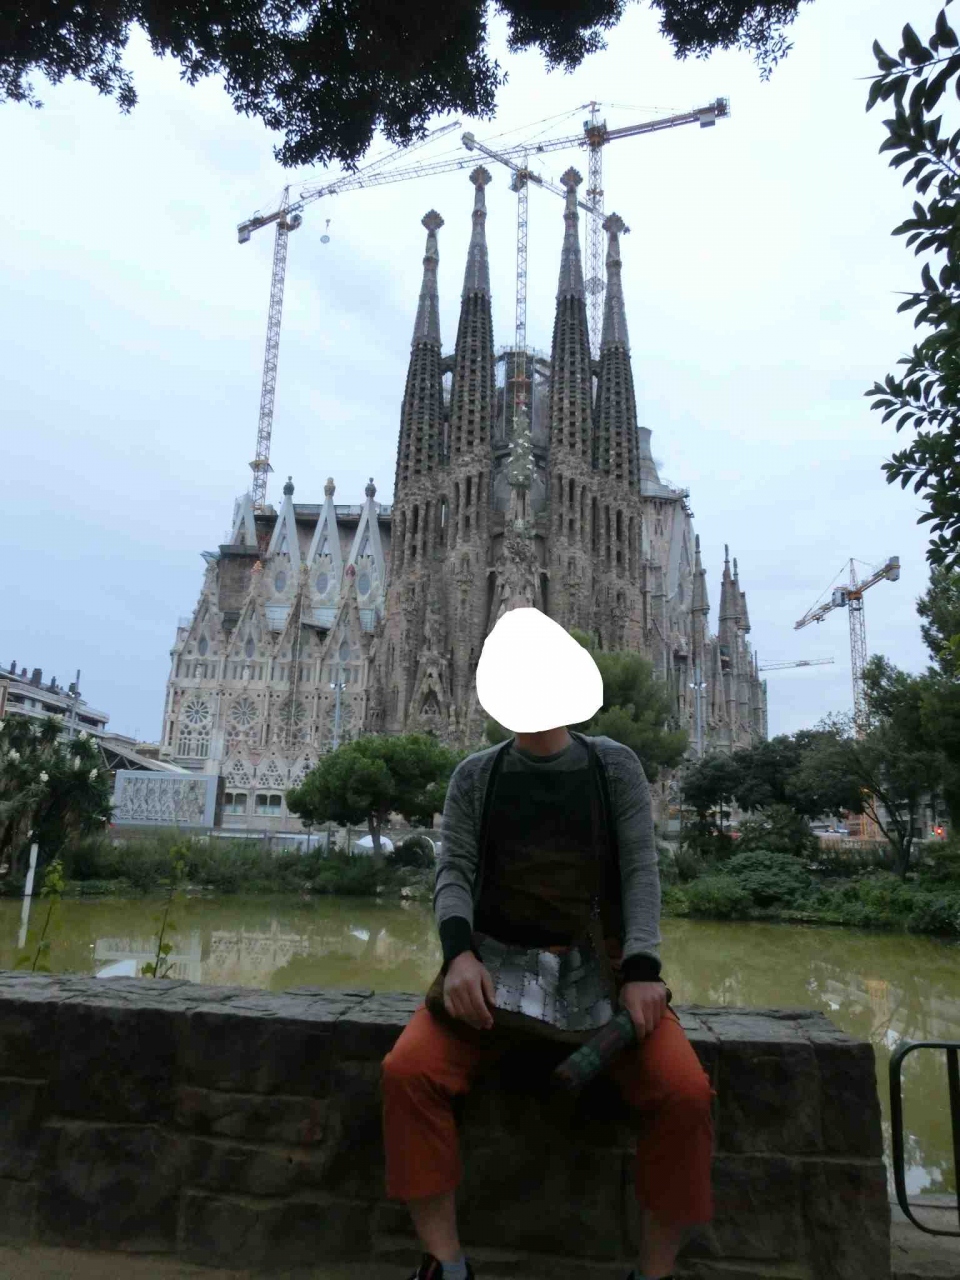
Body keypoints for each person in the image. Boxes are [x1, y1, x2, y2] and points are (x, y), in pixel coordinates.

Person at [381, 608, 716, 1280]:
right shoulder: (476, 776)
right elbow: (454, 872)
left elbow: (641, 869)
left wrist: (643, 968)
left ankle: (654, 1273)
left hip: (602, 976)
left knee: (686, 1093)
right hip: (492, 974)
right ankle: (445, 1262)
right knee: (407, 1073)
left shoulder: (613, 767)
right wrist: (458, 955)